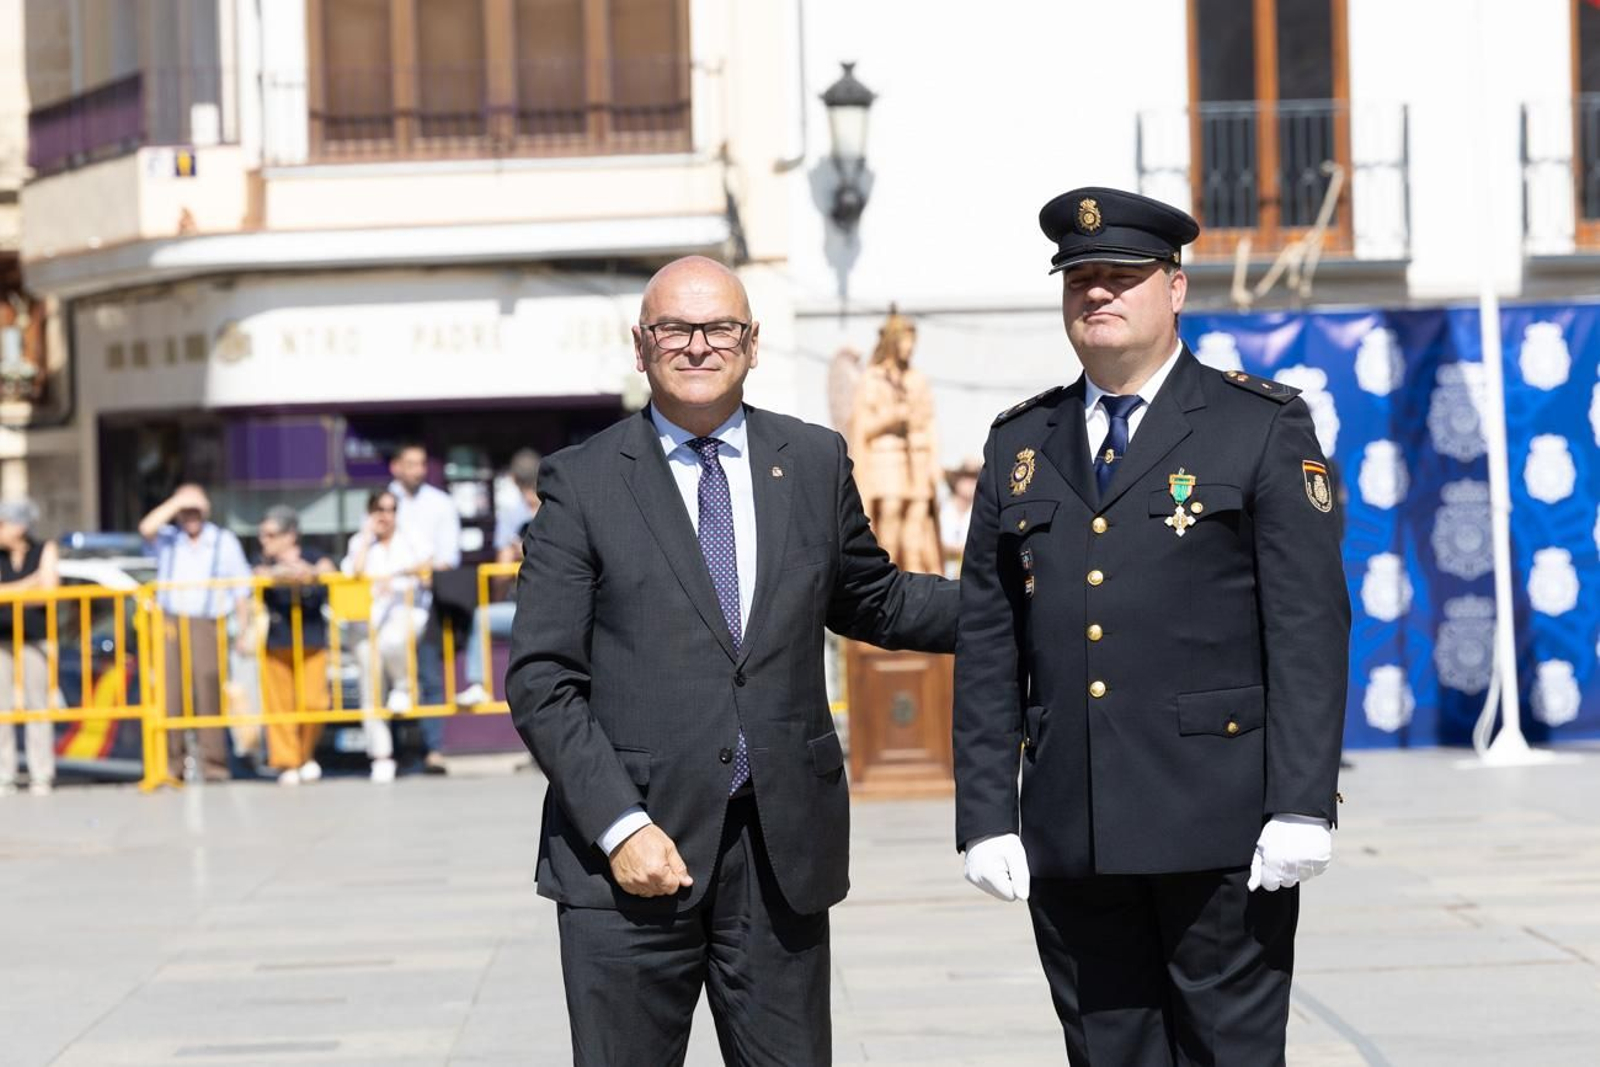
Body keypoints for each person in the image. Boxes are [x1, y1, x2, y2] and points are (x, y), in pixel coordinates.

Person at [507, 255, 958, 1065]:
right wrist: (620, 826)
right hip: (632, 861)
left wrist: (1028, 602)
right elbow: (543, 680)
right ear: (640, 345)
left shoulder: (814, 461)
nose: (698, 346)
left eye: (720, 328)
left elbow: (876, 598)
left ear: (752, 343)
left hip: (778, 850)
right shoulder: (582, 482)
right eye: (675, 328)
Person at [952, 187, 1350, 1065]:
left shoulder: (1258, 425)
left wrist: (1302, 802)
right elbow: (990, 640)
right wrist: (985, 814)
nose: (1098, 293)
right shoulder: (1022, 441)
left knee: (1228, 1052)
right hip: (1073, 827)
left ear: (1175, 288)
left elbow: (1308, 627)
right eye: (1081, 278)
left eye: (1122, 277)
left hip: (1220, 825)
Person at [140, 483, 252, 782]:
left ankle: (214, 764)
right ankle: (172, 764)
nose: (190, 516)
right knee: (171, 693)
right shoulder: (169, 538)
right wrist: (176, 502)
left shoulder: (222, 540)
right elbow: (146, 527)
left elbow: (241, 588)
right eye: (184, 511)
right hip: (171, 621)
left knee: (208, 691)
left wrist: (243, 629)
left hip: (207, 621)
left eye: (195, 509)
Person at [341, 489, 429, 784]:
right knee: (370, 686)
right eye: (379, 509)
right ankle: (381, 755)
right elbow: (352, 573)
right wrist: (366, 537)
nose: (385, 515)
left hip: (405, 615)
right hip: (367, 624)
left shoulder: (410, 537)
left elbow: (428, 568)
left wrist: (396, 577)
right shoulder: (359, 542)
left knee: (394, 642)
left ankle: (404, 686)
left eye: (390, 509)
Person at [847, 309, 944, 573]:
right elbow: (862, 427)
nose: (910, 348)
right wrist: (891, 419)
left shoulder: (916, 379)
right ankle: (889, 571)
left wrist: (934, 462)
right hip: (885, 459)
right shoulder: (872, 378)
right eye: (905, 341)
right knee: (889, 514)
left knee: (918, 519)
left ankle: (917, 575)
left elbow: (929, 422)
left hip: (916, 459)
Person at [388, 441, 459, 773]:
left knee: (429, 678)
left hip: (427, 602)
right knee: (392, 679)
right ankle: (395, 750)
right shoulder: (384, 501)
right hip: (389, 606)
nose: (417, 470)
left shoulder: (440, 503)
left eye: (421, 463)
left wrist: (420, 570)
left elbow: (448, 558)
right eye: (410, 463)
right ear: (396, 467)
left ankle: (433, 750)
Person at [254, 505, 335, 786]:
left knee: (315, 702)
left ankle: (304, 754)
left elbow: (328, 570)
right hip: (277, 638)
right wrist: (284, 574)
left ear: (290, 535)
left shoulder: (312, 555)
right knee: (280, 706)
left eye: (270, 535)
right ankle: (287, 761)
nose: (265, 541)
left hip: (311, 637)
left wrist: (308, 572)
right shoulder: (262, 560)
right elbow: (259, 575)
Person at [456, 448, 540, 707]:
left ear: (514, 479)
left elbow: (503, 570)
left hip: (528, 608)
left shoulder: (512, 515)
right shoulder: (561, 503)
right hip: (564, 607)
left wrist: (497, 595)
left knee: (483, 618)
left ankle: (478, 685)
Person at [0, 498, 58, 796]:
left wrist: (10, 592)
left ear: (20, 526)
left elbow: (47, 594)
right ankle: (4, 775)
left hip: (36, 638)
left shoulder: (44, 548)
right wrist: (29, 583)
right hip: (3, 638)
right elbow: (36, 588)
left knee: (38, 706)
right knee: (2, 709)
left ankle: (41, 774)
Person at [938, 455, 981, 575]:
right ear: (956, 480)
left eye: (975, 478)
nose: (971, 482)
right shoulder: (939, 509)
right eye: (966, 477)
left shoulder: (983, 515)